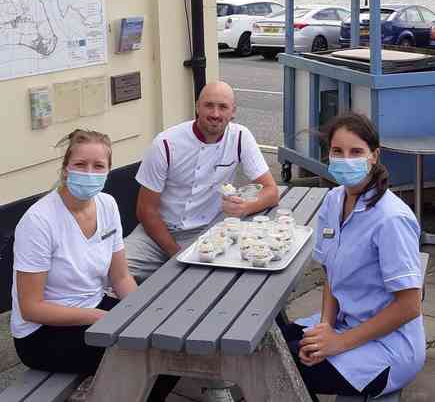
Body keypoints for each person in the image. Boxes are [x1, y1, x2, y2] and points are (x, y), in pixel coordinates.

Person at [11, 129, 177, 401]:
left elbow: (121, 277)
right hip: (42, 334)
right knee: (142, 358)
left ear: (109, 170)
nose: (89, 172)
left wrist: (140, 312)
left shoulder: (107, 205)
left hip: (93, 308)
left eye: (98, 166)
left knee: (168, 344)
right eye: (80, 164)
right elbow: (31, 308)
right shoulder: (39, 221)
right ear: (65, 169)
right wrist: (101, 319)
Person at [277, 112, 426, 401]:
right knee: (276, 341)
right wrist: (325, 328)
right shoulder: (334, 201)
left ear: (374, 156)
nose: (346, 159)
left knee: (281, 363)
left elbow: (409, 306)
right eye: (337, 151)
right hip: (347, 323)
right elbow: (331, 276)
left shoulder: (391, 218)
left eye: (356, 151)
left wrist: (338, 343)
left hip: (389, 346)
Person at [125, 80, 279, 283]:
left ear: (233, 112)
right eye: (209, 105)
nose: (215, 114)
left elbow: (271, 191)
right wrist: (176, 254)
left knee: (228, 280)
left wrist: (246, 207)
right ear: (197, 107)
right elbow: (146, 210)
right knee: (111, 271)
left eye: (223, 107)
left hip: (209, 232)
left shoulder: (240, 137)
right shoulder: (166, 143)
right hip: (156, 233)